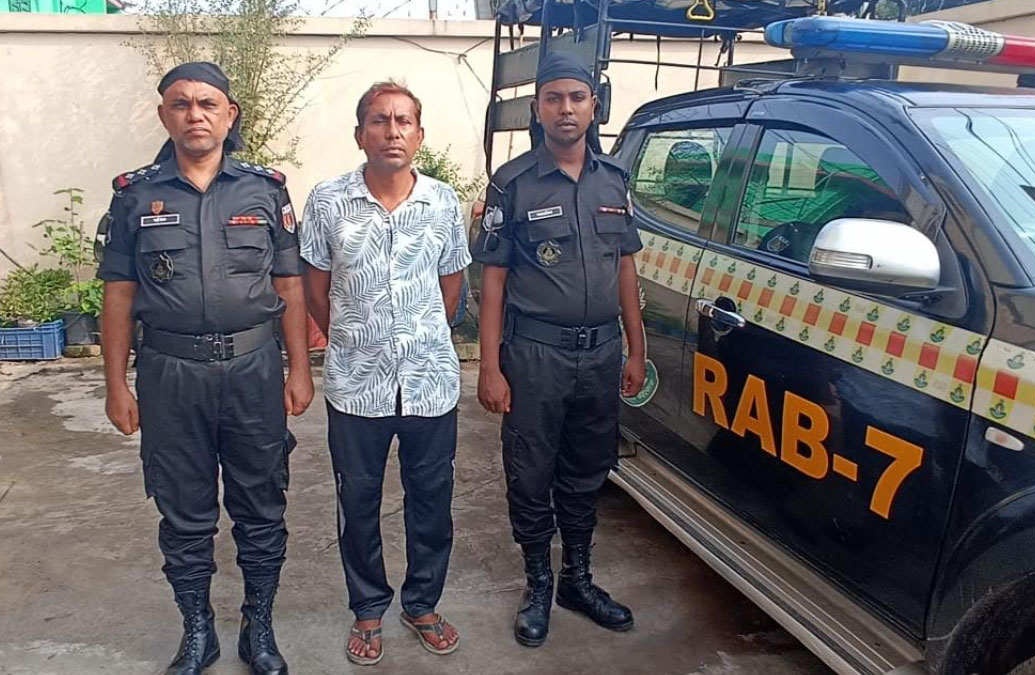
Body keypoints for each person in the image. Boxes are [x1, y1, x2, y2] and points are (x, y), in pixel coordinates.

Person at [98, 61, 313, 675]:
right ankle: (198, 631)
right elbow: (118, 293)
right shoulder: (134, 195)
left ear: (229, 114)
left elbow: (289, 284)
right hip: (170, 375)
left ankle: (258, 627)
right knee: (183, 511)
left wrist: (299, 368)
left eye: (208, 103)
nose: (195, 114)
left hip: (252, 371)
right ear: (164, 114)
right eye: (181, 103)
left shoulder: (266, 190)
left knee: (261, 504)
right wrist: (115, 384)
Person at [472, 51, 647, 648]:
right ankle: (538, 583)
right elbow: (493, 280)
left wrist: (636, 349)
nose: (565, 109)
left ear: (594, 106)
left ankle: (577, 579)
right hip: (535, 357)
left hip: (600, 354)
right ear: (537, 108)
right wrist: (490, 367)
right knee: (530, 473)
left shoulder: (614, 181)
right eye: (553, 99)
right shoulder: (513, 182)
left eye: (576, 98)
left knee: (586, 472)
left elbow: (626, 267)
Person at [300, 81, 470, 666]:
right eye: (379, 120)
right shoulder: (328, 201)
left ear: (419, 135)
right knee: (358, 500)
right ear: (359, 134)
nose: (391, 131)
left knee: (432, 501)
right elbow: (315, 290)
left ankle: (422, 603)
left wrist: (418, 335)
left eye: (403, 121)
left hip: (429, 382)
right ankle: (368, 608)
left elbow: (451, 288)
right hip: (356, 385)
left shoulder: (443, 202)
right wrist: (356, 336)